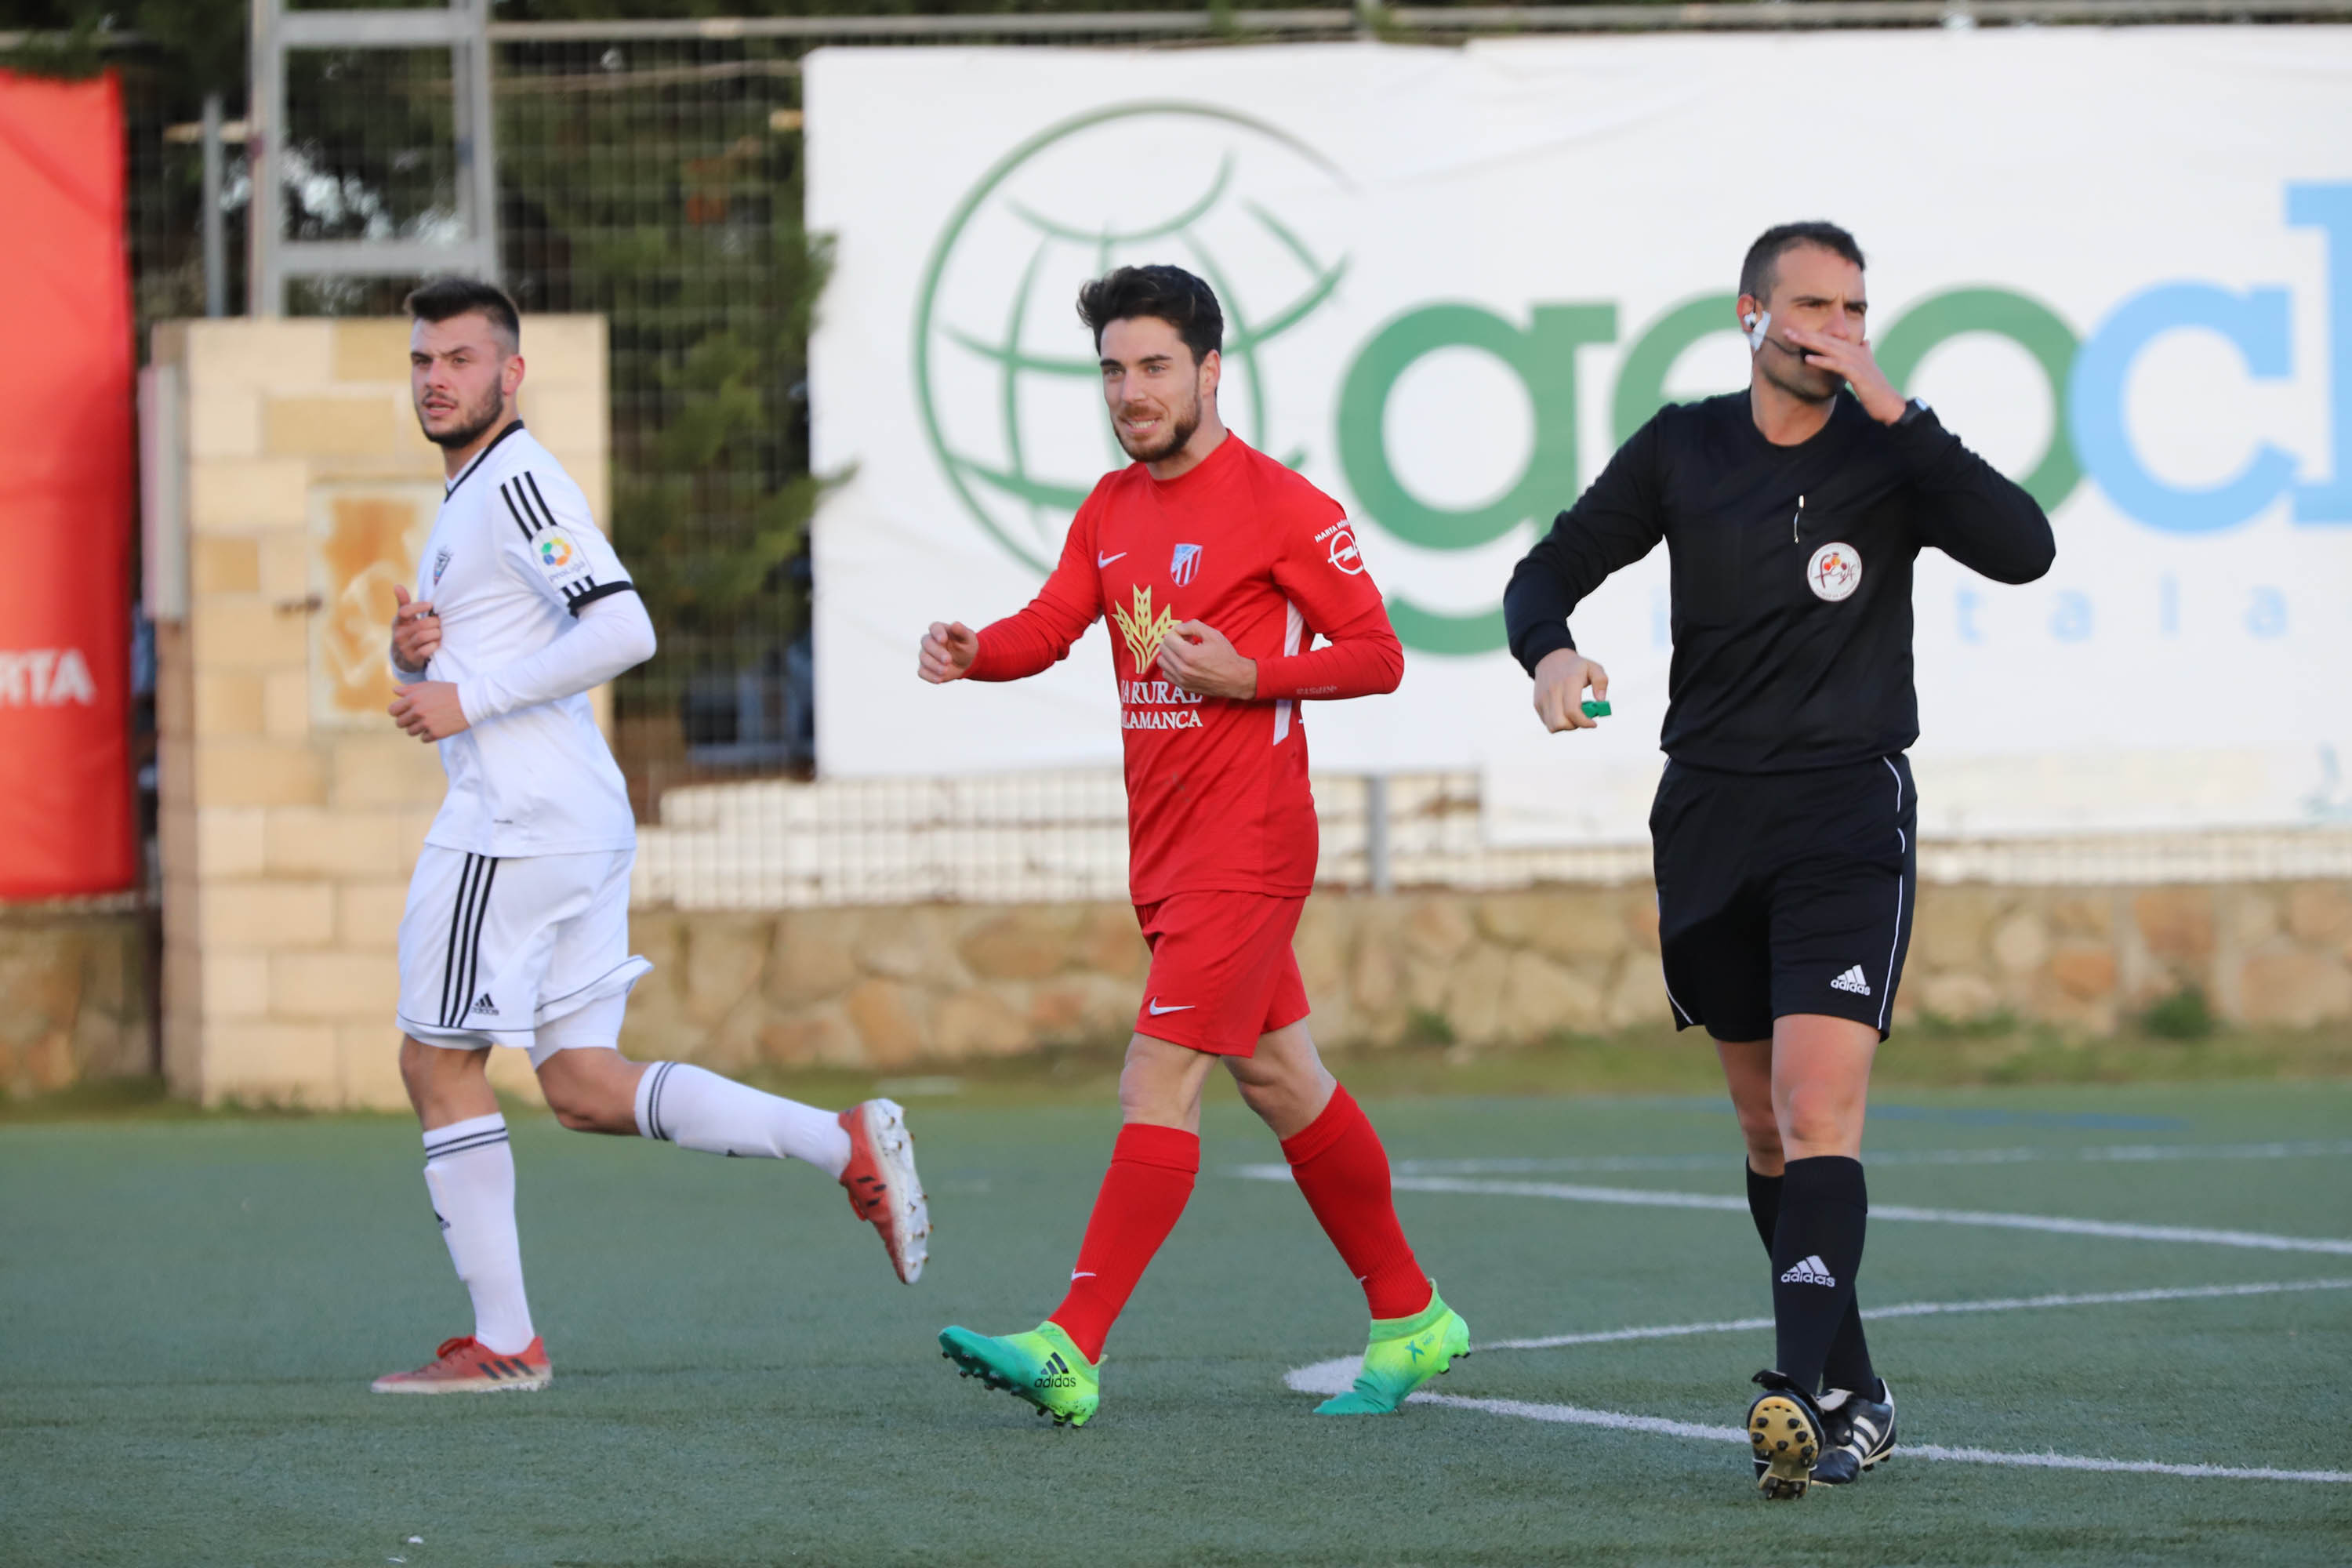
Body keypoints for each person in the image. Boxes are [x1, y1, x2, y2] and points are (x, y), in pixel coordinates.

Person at [1502, 223, 2054, 1497]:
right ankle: (1859, 1390)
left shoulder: (1893, 451)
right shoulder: (1684, 446)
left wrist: (1892, 401)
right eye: (1809, 307)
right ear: (1748, 314)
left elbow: (2024, 548)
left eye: (1853, 309)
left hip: (1845, 819)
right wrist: (1552, 656)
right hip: (1707, 816)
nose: (1832, 329)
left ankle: (1795, 1389)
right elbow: (1547, 570)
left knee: (1819, 1108)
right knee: (1764, 1129)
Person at [918, 264, 1465, 1428]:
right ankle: (1412, 1314)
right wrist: (977, 651)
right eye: (1114, 369)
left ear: (1211, 371)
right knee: (1283, 1079)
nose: (1131, 390)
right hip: (1166, 855)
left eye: (1155, 366)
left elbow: (1377, 654)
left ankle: (1073, 1346)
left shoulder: (1285, 508)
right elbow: (1050, 625)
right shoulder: (1111, 510)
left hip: (1251, 845)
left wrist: (1252, 673)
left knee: (1155, 1077)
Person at [370, 278, 928, 1395]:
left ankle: (507, 1345)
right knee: (579, 1083)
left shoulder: (517, 481)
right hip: (575, 822)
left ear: (510, 374)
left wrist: (467, 702)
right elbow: (486, 654)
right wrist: (417, 654)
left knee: (437, 1064)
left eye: (464, 360)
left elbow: (624, 626)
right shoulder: (472, 496)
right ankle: (843, 1142)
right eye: (427, 360)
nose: (440, 378)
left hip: (514, 827)